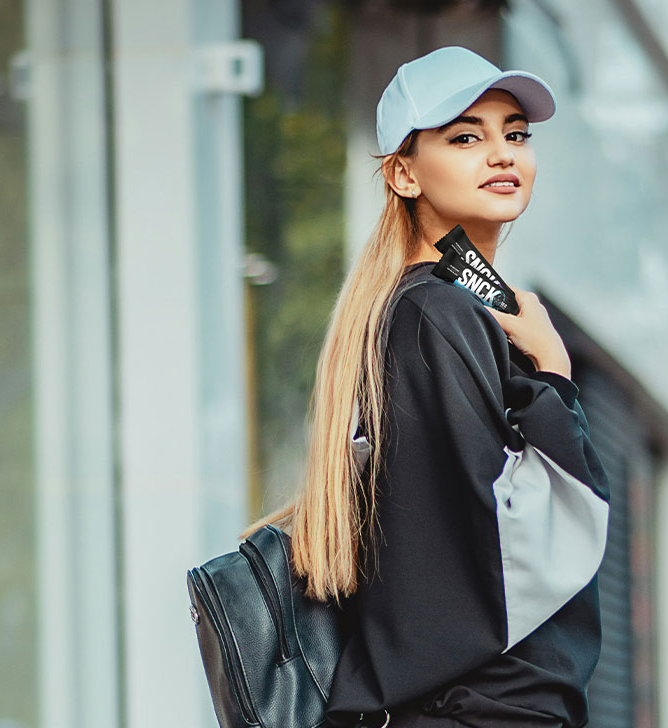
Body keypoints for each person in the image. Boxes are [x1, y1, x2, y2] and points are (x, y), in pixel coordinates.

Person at [240, 46, 611, 728]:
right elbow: (521, 534)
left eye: (516, 134)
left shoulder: (420, 312)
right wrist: (553, 376)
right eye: (466, 136)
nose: (502, 154)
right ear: (404, 173)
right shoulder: (437, 314)